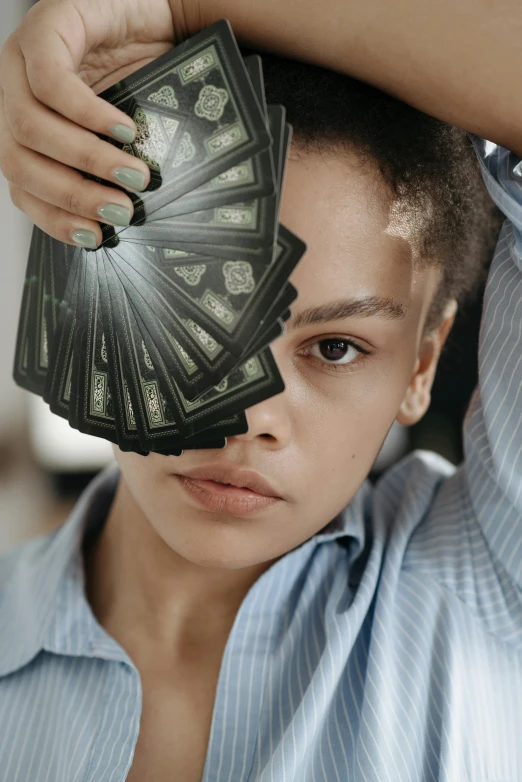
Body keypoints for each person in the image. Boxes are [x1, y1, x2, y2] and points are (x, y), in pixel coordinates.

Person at [0, 0, 521, 780]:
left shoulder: (484, 580)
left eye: (336, 346)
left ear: (420, 368)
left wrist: (185, 6)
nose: (250, 417)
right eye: (198, 318)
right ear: (97, 305)